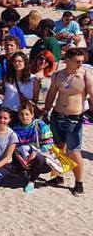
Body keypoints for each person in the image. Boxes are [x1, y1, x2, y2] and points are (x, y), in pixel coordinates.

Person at [40, 47, 93, 195]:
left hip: (74, 119)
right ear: (67, 60)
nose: (81, 64)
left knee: (74, 151)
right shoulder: (58, 76)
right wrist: (46, 111)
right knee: (58, 148)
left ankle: (79, 182)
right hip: (57, 115)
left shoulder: (85, 76)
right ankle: (59, 176)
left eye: (82, 61)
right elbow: (51, 94)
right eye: (77, 61)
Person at [12, 104, 54, 192]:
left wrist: (36, 152)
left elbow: (49, 142)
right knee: (23, 176)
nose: (24, 117)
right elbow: (14, 147)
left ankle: (32, 182)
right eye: (21, 114)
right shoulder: (15, 128)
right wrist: (21, 160)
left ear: (32, 115)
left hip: (39, 156)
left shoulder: (40, 124)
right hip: (23, 156)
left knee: (39, 159)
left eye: (27, 114)